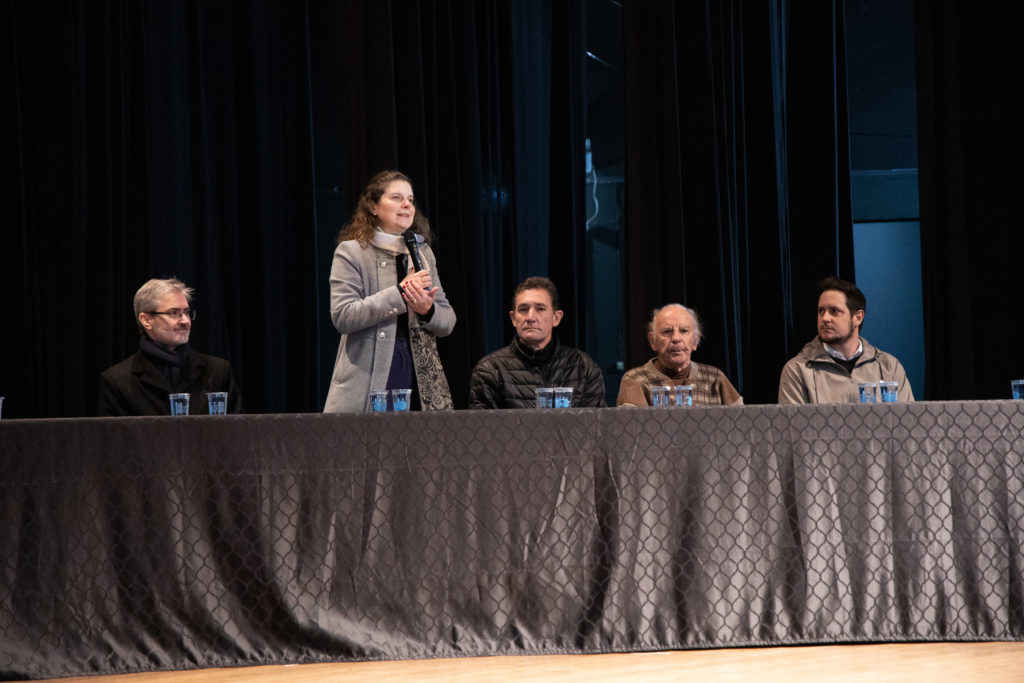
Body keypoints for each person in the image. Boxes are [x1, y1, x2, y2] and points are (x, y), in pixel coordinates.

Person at [323, 170, 455, 413]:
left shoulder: (423, 252)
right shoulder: (351, 252)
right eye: (396, 197)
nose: (406, 204)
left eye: (410, 199)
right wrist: (399, 294)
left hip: (419, 371)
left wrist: (428, 311)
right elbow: (343, 316)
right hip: (370, 371)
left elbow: (447, 321)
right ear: (373, 206)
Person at [98, 278, 243, 416]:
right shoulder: (118, 381)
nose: (185, 321)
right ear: (146, 320)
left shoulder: (218, 371)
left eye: (186, 312)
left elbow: (238, 433)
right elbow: (115, 440)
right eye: (174, 313)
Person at [469, 276, 606, 409]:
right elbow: (484, 429)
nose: (530, 317)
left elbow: (596, 428)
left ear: (556, 318)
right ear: (513, 318)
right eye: (523, 309)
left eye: (540, 309)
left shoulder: (584, 367)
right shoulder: (490, 370)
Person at [778, 276, 914, 404]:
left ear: (858, 317)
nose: (825, 318)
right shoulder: (797, 370)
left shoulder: (889, 366)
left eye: (834, 311)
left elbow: (908, 422)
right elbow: (795, 427)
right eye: (821, 311)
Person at [617, 304, 742, 406]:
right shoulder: (635, 380)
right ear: (652, 341)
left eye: (684, 331)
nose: (676, 338)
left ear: (695, 341)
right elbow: (633, 431)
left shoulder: (715, 378)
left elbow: (741, 424)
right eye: (667, 331)